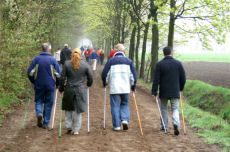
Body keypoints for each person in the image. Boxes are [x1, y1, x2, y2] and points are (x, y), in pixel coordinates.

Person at [101, 43, 137, 131]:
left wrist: (105, 82)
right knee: (124, 103)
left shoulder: (111, 61)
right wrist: (133, 86)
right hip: (125, 88)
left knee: (115, 106)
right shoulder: (129, 61)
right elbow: (134, 76)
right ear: (123, 51)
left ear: (115, 51)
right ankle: (124, 120)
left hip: (114, 88)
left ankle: (117, 126)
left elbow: (104, 74)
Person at [151, 46, 186, 136]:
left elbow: (156, 79)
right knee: (175, 109)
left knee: (164, 108)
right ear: (171, 52)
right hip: (175, 90)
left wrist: (154, 91)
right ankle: (175, 123)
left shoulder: (160, 64)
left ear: (163, 53)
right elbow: (183, 78)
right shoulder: (178, 63)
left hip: (164, 91)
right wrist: (181, 88)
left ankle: (164, 126)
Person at [59, 48, 93, 135]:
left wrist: (61, 88)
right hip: (80, 90)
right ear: (81, 55)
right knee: (77, 110)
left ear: (71, 54)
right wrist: (88, 84)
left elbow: (62, 78)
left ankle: (68, 126)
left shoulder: (66, 64)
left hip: (69, 89)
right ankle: (76, 129)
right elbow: (90, 77)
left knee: (68, 108)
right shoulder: (85, 65)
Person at [27, 43, 61, 129]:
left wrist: (34, 81)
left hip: (39, 84)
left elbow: (29, 73)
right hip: (50, 85)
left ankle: (39, 113)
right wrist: (57, 84)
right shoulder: (53, 60)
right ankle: (45, 123)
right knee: (48, 103)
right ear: (49, 50)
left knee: (38, 100)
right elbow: (58, 74)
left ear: (41, 49)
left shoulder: (36, 59)